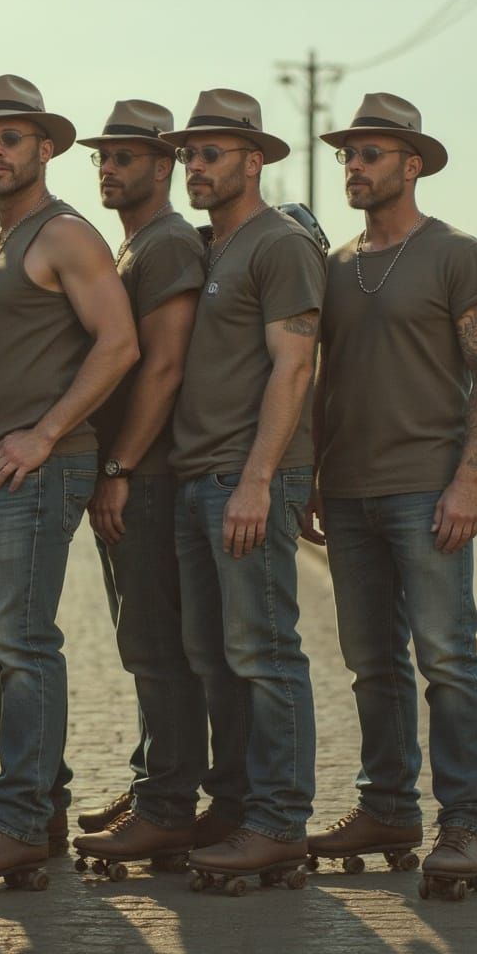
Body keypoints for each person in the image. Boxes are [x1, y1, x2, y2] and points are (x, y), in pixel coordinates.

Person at [0, 75, 138, 881]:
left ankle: (18, 821)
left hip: (40, 467)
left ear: (45, 148)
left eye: (10, 139)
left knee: (23, 643)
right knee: (3, 643)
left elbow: (119, 345)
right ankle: (42, 813)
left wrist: (46, 434)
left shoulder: (64, 234)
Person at [306, 93, 477, 892]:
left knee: (449, 659)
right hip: (349, 494)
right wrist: (317, 472)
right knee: (371, 666)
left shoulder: (459, 254)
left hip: (428, 491)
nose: (354, 167)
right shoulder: (333, 264)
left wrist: (468, 480)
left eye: (370, 154)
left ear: (411, 164)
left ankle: (465, 825)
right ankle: (387, 806)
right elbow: (323, 377)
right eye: (347, 155)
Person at [164, 89, 325, 878]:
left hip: (245, 477)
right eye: (189, 154)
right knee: (213, 655)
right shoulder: (213, 247)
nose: (194, 165)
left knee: (265, 652)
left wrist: (259, 482)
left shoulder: (279, 243)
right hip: (200, 476)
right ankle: (232, 808)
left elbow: (295, 366)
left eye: (211, 153)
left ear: (252, 160)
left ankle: (280, 821)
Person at [69, 100, 208, 862]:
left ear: (166, 167)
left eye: (126, 157)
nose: (110, 169)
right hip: (132, 473)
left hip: (151, 476)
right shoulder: (135, 246)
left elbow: (164, 364)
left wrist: (120, 467)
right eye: (103, 158)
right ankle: (157, 779)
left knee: (157, 644)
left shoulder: (168, 244)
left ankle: (168, 804)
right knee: (142, 640)